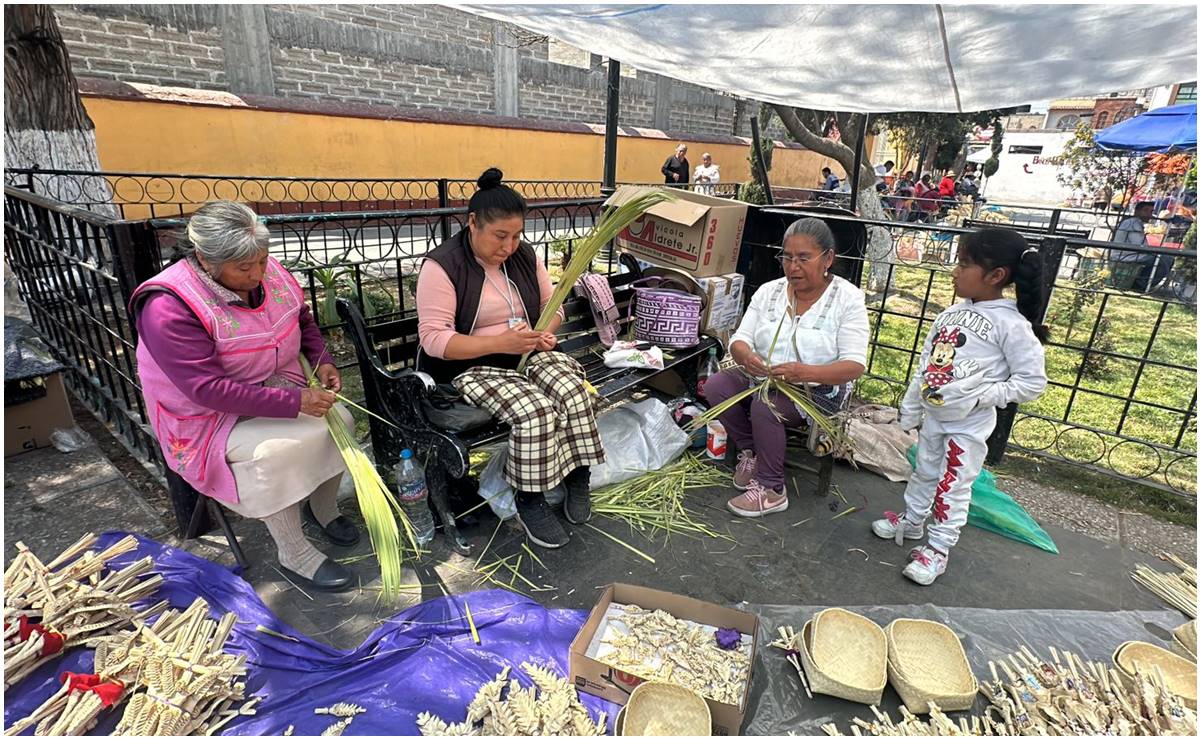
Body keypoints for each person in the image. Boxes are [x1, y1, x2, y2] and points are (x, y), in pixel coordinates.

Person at [131, 201, 359, 592]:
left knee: (343, 422)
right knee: (276, 452)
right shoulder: (168, 306)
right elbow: (205, 389)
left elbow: (301, 318)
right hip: (206, 416)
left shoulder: (265, 271)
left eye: (263, 261)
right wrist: (295, 402)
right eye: (243, 268)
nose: (257, 275)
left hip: (278, 384)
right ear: (205, 258)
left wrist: (322, 361)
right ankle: (294, 551)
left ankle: (324, 509)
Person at [415, 168, 604, 549]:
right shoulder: (442, 265)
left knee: (574, 392)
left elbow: (553, 305)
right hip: (470, 365)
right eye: (500, 236)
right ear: (472, 223)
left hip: (526, 352)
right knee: (534, 410)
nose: (509, 246)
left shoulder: (524, 256)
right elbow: (435, 340)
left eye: (517, 235)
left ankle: (577, 476)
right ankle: (530, 499)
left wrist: (544, 331)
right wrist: (500, 342)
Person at [872, 228, 1048, 585]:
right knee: (923, 470)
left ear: (996, 275)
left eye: (964, 265)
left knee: (953, 483)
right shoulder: (949, 314)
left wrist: (982, 396)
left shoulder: (1011, 325)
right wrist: (912, 405)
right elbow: (927, 363)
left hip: (967, 426)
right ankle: (913, 520)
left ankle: (939, 548)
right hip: (935, 418)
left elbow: (1032, 382)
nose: (954, 271)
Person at [701, 218, 869, 517]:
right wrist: (746, 356)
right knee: (716, 386)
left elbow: (854, 364)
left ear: (828, 258)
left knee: (766, 406)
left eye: (804, 258)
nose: (793, 267)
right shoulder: (770, 292)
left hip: (818, 388)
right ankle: (751, 450)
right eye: (787, 257)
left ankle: (772, 488)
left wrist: (804, 372)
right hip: (764, 377)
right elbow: (740, 339)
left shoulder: (848, 298)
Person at [1112, 201, 1174, 292]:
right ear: (1137, 211)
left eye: (1151, 211)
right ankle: (1140, 285)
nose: (1149, 214)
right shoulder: (1132, 223)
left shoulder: (1135, 223)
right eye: (1145, 210)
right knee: (1166, 259)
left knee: (1162, 258)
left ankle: (1140, 281)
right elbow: (1140, 245)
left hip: (1131, 254)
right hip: (1126, 255)